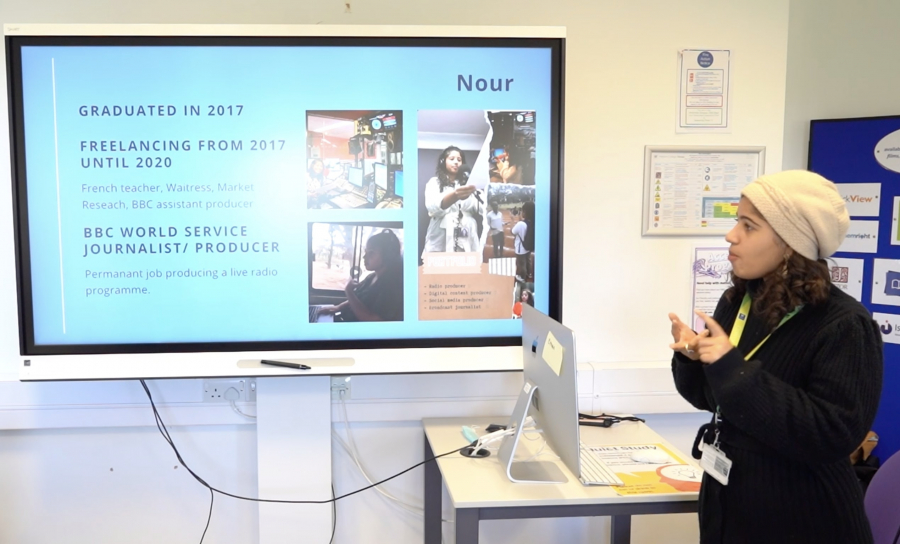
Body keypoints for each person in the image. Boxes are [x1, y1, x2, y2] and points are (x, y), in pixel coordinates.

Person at [668, 170, 883, 544]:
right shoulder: (740, 301)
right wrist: (692, 357)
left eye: (749, 226)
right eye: (737, 221)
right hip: (731, 507)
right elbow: (712, 399)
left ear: (790, 244)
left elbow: (833, 435)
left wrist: (732, 369)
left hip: (804, 520)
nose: (731, 235)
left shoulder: (845, 324)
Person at [320, 230, 404, 322]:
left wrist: (349, 291)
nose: (364, 257)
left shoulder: (393, 286)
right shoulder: (371, 277)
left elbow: (371, 319)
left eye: (371, 253)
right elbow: (358, 299)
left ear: (388, 256)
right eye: (366, 252)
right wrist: (338, 307)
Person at [422, 146, 483, 255]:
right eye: (452, 159)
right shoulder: (434, 183)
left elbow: (481, 207)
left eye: (459, 160)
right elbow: (432, 207)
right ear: (443, 161)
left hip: (466, 234)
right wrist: (455, 195)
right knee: (439, 269)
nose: (456, 162)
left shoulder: (470, 185)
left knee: (465, 269)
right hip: (441, 236)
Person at [512, 200, 534, 282]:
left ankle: (522, 277)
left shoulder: (520, 224)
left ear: (525, 212)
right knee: (528, 261)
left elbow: (513, 231)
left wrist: (512, 220)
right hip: (528, 246)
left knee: (521, 263)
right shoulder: (531, 221)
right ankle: (529, 274)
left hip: (520, 249)